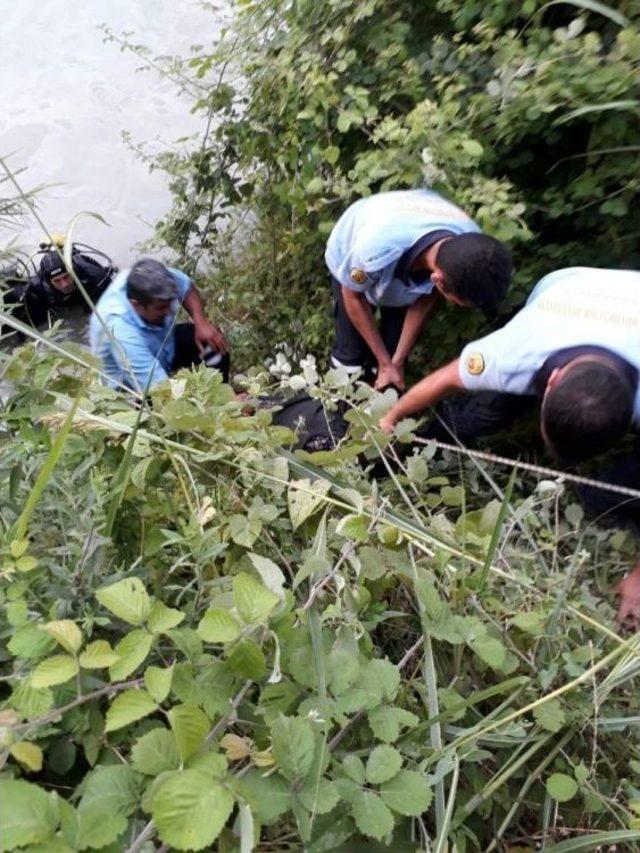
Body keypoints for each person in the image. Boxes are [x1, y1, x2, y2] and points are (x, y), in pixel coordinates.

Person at [378, 266, 640, 625]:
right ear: (551, 383)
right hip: (567, 287)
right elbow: (444, 380)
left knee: (622, 485)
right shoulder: (515, 351)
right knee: (483, 415)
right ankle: (435, 439)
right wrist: (391, 418)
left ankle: (601, 498)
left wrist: (638, 579)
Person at [325, 188, 512, 390]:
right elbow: (353, 296)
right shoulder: (372, 249)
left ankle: (378, 386)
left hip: (408, 247)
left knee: (392, 360)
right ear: (438, 279)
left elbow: (424, 302)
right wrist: (384, 361)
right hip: (356, 240)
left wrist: (395, 362)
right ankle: (338, 396)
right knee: (350, 357)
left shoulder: (471, 250)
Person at [89, 258, 228, 394]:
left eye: (170, 302)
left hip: (163, 346)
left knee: (211, 342)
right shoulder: (119, 330)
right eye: (161, 307)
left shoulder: (155, 278)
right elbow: (162, 392)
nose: (170, 312)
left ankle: (223, 392)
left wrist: (200, 322)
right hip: (132, 385)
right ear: (136, 305)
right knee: (158, 405)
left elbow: (186, 287)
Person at [1, 241, 116, 331]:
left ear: (73, 271)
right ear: (48, 281)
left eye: (66, 277)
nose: (64, 284)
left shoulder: (93, 274)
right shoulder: (39, 287)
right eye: (57, 280)